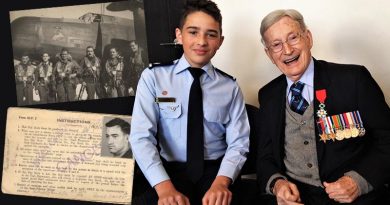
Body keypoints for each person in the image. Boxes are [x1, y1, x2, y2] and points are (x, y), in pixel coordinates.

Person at [256, 9, 390, 205]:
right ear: (269, 54)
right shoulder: (267, 95)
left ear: (308, 38)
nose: (287, 50)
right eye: (276, 45)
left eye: (293, 38)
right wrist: (277, 185)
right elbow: (265, 158)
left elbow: (387, 139)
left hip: (355, 198)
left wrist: (358, 181)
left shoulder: (354, 80)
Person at [130, 1, 250, 204]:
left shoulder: (230, 87)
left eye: (211, 34)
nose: (202, 41)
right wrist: (164, 189)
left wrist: (222, 183)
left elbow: (239, 143)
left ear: (220, 41)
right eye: (193, 32)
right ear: (179, 35)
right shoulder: (154, 77)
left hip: (216, 172)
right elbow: (141, 138)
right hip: (168, 173)